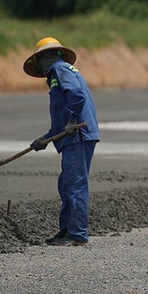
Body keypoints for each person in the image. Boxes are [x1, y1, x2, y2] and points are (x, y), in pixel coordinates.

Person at [24, 37, 101, 246]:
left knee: (75, 184)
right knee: (66, 182)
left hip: (78, 133)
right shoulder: (62, 71)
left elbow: (76, 96)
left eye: (39, 60)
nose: (39, 65)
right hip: (74, 133)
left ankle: (77, 235)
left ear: (45, 57)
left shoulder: (60, 69)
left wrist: (73, 121)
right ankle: (67, 229)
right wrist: (45, 139)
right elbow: (63, 113)